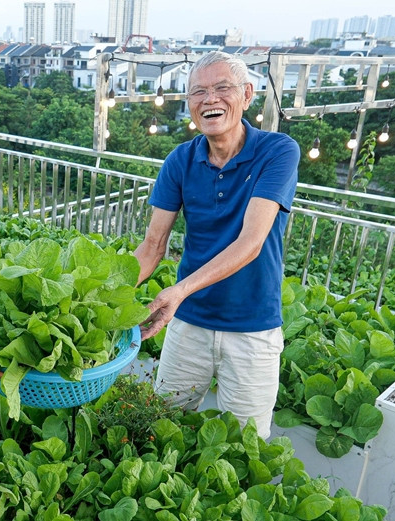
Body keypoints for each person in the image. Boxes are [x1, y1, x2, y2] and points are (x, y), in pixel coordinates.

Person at [134, 51, 299, 439]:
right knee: (160, 426)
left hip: (252, 328)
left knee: (244, 448)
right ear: (190, 104)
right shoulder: (180, 160)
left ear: (246, 94)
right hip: (189, 323)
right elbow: (152, 246)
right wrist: (102, 298)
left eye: (222, 88)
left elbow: (251, 242)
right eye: (198, 92)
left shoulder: (277, 151)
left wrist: (180, 290)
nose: (210, 99)